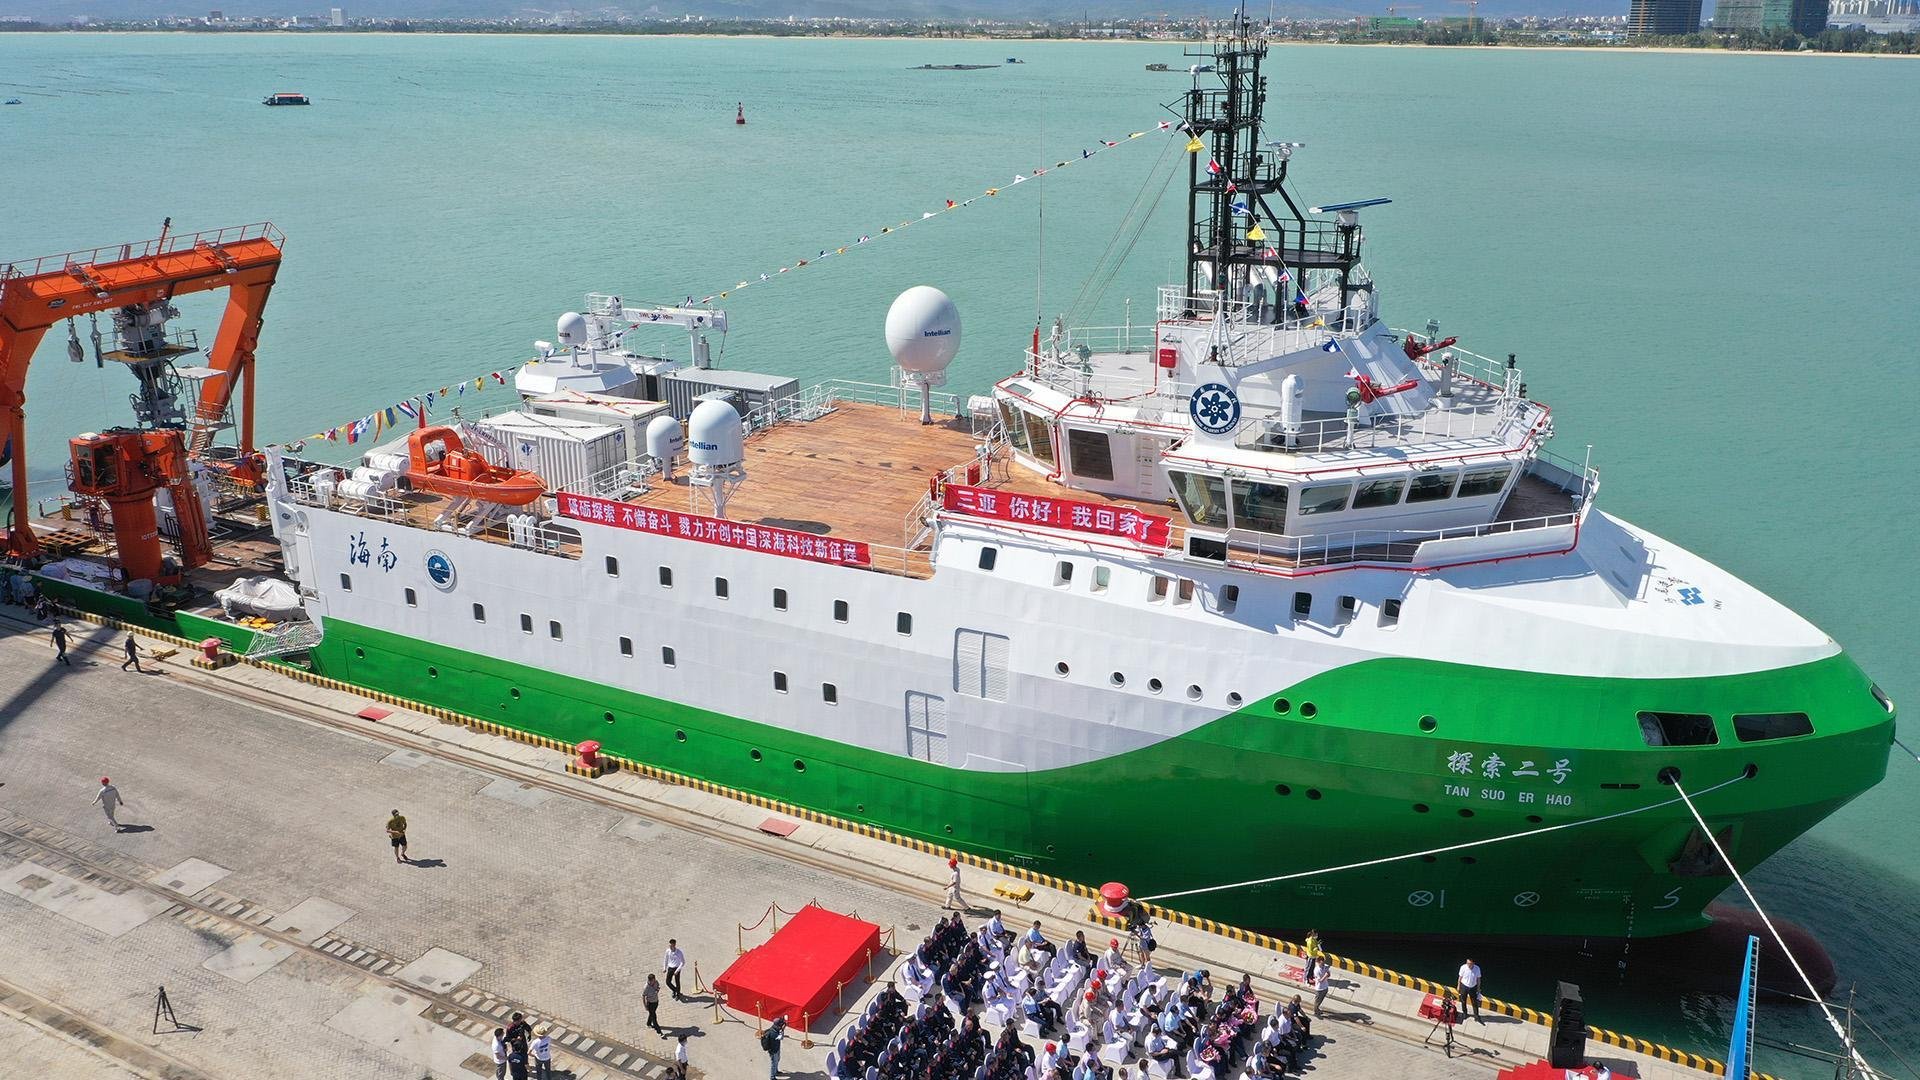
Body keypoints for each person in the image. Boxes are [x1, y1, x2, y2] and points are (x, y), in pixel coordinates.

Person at [1456, 957, 1482, 1022]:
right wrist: (1458, 986)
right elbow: (1460, 977)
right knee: (1463, 1000)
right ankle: (1465, 1013)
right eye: (1467, 963)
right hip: (1464, 986)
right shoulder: (1463, 967)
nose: (1468, 965)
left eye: (1470, 963)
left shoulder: (1477, 968)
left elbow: (1478, 979)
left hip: (1473, 987)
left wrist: (1478, 988)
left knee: (1474, 1002)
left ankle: (1476, 1015)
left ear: (1473, 963)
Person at [761, 1015, 786, 1079]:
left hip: (776, 1048)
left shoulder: (774, 1028)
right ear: (778, 1025)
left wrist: (782, 1028)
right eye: (781, 1023)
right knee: (774, 1063)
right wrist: (782, 1030)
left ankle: (776, 1071)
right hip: (773, 1051)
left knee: (777, 1059)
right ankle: (772, 1077)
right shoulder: (774, 1033)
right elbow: (781, 1037)